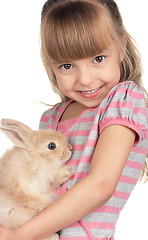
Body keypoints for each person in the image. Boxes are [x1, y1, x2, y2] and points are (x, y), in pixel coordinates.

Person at [0, 0, 148, 239]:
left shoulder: (123, 100)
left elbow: (101, 185)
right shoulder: (51, 120)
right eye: (67, 65)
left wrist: (18, 235)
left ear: (122, 47)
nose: (86, 79)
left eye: (98, 58)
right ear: (51, 65)